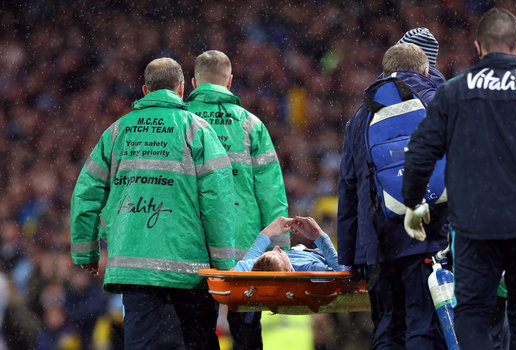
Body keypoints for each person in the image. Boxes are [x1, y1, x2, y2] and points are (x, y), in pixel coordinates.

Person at [401, 8, 516, 350]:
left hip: (473, 225)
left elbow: (419, 150)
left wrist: (413, 203)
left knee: (471, 313)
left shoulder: (453, 92)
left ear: (477, 46)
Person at [70, 57, 235, 350]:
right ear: (182, 89)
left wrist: (87, 252)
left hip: (134, 265)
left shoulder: (116, 132)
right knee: (199, 343)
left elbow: (86, 191)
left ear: (145, 90)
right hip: (189, 266)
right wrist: (223, 266)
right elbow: (218, 202)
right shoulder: (197, 130)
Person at [338, 43, 449, 349]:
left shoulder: (361, 117)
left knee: (387, 330)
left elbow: (349, 191)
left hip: (378, 246)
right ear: (426, 70)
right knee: (425, 327)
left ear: (384, 73)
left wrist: (350, 257)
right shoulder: (438, 102)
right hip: (429, 237)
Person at [186, 49, 289, 350]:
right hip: (244, 248)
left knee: (197, 329)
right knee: (246, 333)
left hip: (193, 246)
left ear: (193, 83)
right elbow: (271, 194)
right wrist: (283, 252)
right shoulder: (251, 125)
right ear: (230, 82)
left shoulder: (179, 124)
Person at [234, 216, 344, 272]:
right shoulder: (308, 269)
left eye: (268, 253)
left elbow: (241, 270)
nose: (277, 248)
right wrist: (319, 235)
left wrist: (267, 233)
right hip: (330, 256)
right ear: (289, 271)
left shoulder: (259, 267)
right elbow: (342, 274)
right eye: (279, 253)